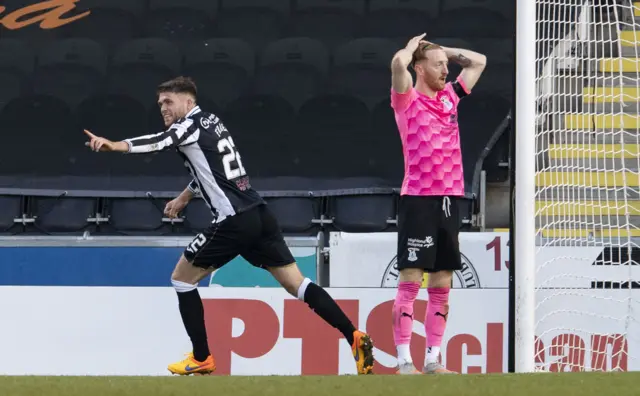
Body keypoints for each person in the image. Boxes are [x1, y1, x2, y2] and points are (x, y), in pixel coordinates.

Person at [83, 76, 375, 376]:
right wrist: (185, 196)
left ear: (188, 102)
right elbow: (213, 171)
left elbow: (160, 141)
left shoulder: (187, 127)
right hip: (259, 214)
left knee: (182, 279)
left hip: (234, 221)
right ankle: (353, 334)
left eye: (169, 102)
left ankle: (201, 357)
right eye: (160, 104)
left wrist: (116, 146)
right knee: (297, 284)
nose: (163, 109)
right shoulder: (212, 122)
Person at [389, 34, 486, 375]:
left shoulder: (451, 97)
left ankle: (432, 359)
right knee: (411, 279)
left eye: (446, 64)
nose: (446, 69)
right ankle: (404, 361)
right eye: (439, 64)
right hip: (418, 199)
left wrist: (445, 49)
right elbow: (398, 63)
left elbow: (478, 61)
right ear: (420, 68)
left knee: (443, 281)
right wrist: (410, 47)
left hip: (449, 198)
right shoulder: (406, 100)